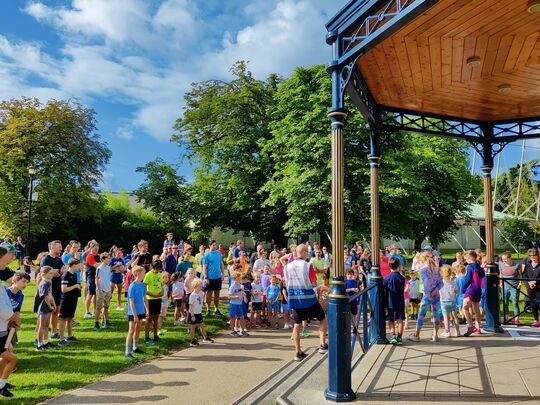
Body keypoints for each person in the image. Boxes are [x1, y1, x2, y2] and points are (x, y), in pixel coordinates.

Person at [284, 244, 327, 362]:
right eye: (307, 252)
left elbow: (287, 284)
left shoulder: (287, 267)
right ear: (302, 252)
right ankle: (322, 344)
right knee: (322, 318)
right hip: (309, 299)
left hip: (295, 299)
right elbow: (313, 283)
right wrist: (321, 287)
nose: (308, 254)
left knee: (297, 324)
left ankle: (298, 352)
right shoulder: (308, 266)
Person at [409, 251, 443, 342]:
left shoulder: (423, 270)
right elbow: (441, 283)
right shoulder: (436, 269)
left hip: (427, 296)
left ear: (421, 261)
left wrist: (428, 294)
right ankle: (435, 335)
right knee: (436, 315)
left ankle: (416, 334)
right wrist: (435, 290)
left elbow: (426, 283)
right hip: (436, 295)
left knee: (421, 315)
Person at [0, 247, 19, 398]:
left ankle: (1, 384)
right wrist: (13, 317)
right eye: (7, 257)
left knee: (4, 357)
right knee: (11, 358)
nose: (9, 260)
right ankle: (1, 386)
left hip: (2, 324)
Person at [40, 240, 65, 339]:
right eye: (59, 246)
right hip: (48, 290)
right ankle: (41, 337)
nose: (61, 248)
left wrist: (57, 272)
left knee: (56, 310)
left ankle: (54, 332)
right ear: (52, 247)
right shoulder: (46, 260)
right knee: (47, 312)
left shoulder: (58, 260)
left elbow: (62, 270)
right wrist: (58, 271)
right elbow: (49, 273)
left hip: (58, 288)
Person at [125, 266, 148, 360]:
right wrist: (134, 315)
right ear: (138, 273)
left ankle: (135, 347)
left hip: (141, 311)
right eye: (143, 273)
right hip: (133, 312)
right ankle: (127, 351)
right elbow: (131, 301)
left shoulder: (143, 285)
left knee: (138, 329)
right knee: (131, 331)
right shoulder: (132, 286)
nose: (144, 274)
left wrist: (147, 309)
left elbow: (144, 298)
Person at [58, 259, 82, 346]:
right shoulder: (66, 275)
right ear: (74, 265)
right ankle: (61, 339)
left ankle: (70, 335)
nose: (80, 267)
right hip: (66, 300)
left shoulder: (74, 274)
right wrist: (75, 286)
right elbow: (63, 289)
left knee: (70, 318)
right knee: (63, 318)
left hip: (73, 299)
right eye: (79, 265)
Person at [461, 250, 485, 336]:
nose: (465, 260)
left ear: (469, 258)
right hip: (478, 289)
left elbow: (467, 279)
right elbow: (482, 277)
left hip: (470, 289)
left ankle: (471, 326)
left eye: (466, 259)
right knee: (476, 308)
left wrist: (463, 289)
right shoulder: (479, 266)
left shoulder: (470, 267)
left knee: (465, 307)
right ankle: (478, 327)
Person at [384, 258, 405, 345]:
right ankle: (399, 337)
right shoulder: (401, 278)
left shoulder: (386, 278)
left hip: (390, 302)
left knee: (391, 320)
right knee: (400, 320)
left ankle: (393, 336)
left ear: (389, 266)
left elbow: (385, 292)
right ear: (398, 266)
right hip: (400, 301)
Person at [6, 271, 30, 348]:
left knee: (10, 346)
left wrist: (17, 323)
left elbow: (17, 310)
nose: (25, 284)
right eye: (23, 281)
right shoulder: (5, 292)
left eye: (27, 282)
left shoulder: (21, 295)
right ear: (15, 281)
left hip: (11, 323)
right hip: (3, 323)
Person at [201, 241, 225, 316]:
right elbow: (205, 267)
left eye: (216, 245)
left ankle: (216, 309)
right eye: (213, 245)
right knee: (209, 294)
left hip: (218, 277)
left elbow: (221, 264)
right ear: (209, 245)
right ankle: (208, 309)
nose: (215, 246)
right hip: (210, 278)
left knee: (217, 294)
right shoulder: (206, 255)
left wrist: (223, 274)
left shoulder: (218, 254)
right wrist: (206, 277)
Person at [188, 278, 214, 347]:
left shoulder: (200, 293)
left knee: (202, 325)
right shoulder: (192, 296)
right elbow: (190, 306)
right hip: (193, 314)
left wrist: (204, 302)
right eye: (199, 286)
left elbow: (203, 299)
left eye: (201, 286)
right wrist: (192, 315)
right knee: (193, 327)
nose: (201, 287)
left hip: (199, 313)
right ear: (195, 286)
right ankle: (192, 340)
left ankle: (205, 337)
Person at [498, 251, 522, 325]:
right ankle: (506, 318)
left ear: (510, 258)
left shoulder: (517, 264)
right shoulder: (501, 264)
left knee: (515, 302)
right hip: (505, 286)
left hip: (514, 286)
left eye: (505, 259)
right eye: (503, 259)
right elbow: (501, 274)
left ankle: (516, 319)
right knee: (505, 303)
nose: (504, 260)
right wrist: (500, 282)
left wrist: (520, 283)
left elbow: (520, 275)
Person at [36, 266, 56, 351]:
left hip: (48, 306)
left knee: (47, 325)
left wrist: (54, 304)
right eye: (50, 273)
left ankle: (45, 342)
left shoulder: (49, 281)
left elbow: (50, 294)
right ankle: (39, 345)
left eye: (52, 273)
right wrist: (50, 306)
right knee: (42, 326)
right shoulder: (44, 283)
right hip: (44, 306)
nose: (52, 274)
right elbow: (46, 296)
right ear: (44, 274)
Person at [144, 260, 164, 345]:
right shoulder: (148, 275)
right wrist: (153, 295)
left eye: (159, 269)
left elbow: (161, 285)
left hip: (158, 299)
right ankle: (147, 337)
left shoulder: (160, 274)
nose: (158, 271)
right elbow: (144, 288)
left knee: (156, 318)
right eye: (157, 269)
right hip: (150, 299)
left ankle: (155, 336)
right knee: (149, 319)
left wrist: (162, 292)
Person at [439, 265, 461, 337]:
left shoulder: (440, 283)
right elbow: (457, 291)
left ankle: (447, 331)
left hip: (443, 301)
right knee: (455, 316)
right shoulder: (453, 282)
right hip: (452, 301)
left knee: (446, 317)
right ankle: (457, 331)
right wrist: (454, 292)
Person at [94, 252, 113, 331]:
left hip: (108, 289)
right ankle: (96, 324)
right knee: (98, 307)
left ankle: (106, 322)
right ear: (102, 259)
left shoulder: (108, 268)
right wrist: (99, 290)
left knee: (106, 306)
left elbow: (108, 279)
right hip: (101, 290)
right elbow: (97, 279)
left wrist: (110, 290)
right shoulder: (99, 268)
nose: (109, 259)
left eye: (109, 258)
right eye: (108, 258)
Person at [523, 248, 540, 327]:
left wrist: (535, 281)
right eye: (531, 255)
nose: (533, 257)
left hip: (539, 287)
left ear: (538, 256)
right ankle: (536, 319)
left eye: (534, 255)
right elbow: (524, 275)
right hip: (530, 287)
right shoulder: (528, 265)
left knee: (539, 303)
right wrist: (529, 282)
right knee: (533, 303)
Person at [84, 242, 100, 318]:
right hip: (91, 277)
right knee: (90, 294)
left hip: (97, 277)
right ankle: (87, 312)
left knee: (96, 294)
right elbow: (96, 266)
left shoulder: (98, 256)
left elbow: (106, 263)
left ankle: (94, 310)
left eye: (97, 248)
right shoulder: (89, 256)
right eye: (95, 248)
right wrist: (101, 263)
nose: (97, 250)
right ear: (91, 248)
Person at [229, 271, 247, 337]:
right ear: (234, 279)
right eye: (238, 278)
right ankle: (232, 331)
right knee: (232, 317)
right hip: (233, 304)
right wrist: (236, 297)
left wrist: (243, 293)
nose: (240, 279)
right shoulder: (232, 286)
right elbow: (229, 296)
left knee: (241, 317)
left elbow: (241, 291)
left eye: (240, 278)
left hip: (239, 304)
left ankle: (242, 330)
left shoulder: (240, 285)